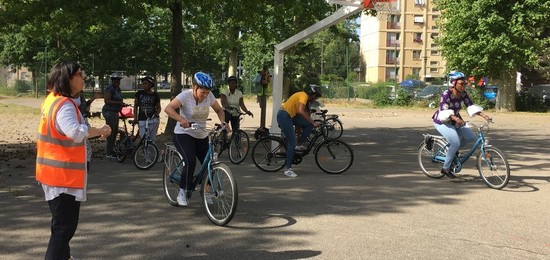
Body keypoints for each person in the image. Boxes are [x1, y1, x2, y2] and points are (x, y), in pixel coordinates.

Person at [36, 61, 111, 260]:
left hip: (52, 173)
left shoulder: (52, 100)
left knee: (61, 225)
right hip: (62, 177)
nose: (83, 77)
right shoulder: (64, 105)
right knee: (64, 229)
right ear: (68, 79)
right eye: (80, 74)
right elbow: (75, 132)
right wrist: (100, 131)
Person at [164, 72, 227, 206]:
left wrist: (223, 122)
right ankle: (182, 191)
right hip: (183, 134)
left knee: (211, 162)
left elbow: (219, 110)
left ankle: (206, 191)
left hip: (201, 135)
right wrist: (181, 119)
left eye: (207, 92)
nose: (205, 95)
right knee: (190, 161)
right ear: (194, 87)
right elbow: (168, 108)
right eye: (202, 92)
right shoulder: (185, 96)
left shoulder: (209, 96)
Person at [432, 71, 492, 178]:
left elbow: (471, 106)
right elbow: (443, 112)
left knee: (470, 137)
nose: (463, 86)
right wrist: (455, 118)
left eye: (464, 84)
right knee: (455, 142)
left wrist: (484, 116)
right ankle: (445, 168)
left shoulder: (463, 94)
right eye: (461, 84)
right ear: (453, 83)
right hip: (442, 122)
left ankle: (452, 150)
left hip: (457, 121)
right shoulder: (446, 94)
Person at [277, 84, 323, 178]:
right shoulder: (303, 95)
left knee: (308, 125)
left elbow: (301, 116)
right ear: (313, 95)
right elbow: (301, 111)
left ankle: (299, 144)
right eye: (316, 97)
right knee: (292, 143)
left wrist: (307, 125)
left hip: (290, 116)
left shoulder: (305, 100)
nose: (315, 99)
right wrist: (314, 123)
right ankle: (288, 169)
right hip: (284, 116)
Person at [102, 73, 126, 159]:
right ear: (112, 80)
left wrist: (121, 105)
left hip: (115, 111)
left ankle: (113, 150)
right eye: (116, 80)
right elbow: (107, 100)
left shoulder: (118, 89)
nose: (117, 82)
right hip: (109, 111)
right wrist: (119, 103)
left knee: (115, 131)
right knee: (110, 132)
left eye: (119, 80)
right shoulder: (109, 88)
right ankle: (109, 152)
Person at [134, 76, 161, 142]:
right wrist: (135, 118)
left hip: (153, 119)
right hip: (142, 119)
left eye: (146, 84)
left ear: (150, 85)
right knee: (144, 138)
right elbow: (135, 106)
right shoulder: (139, 94)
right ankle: (146, 152)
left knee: (152, 139)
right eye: (143, 84)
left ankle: (152, 152)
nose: (144, 85)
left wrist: (156, 115)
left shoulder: (155, 95)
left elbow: (159, 108)